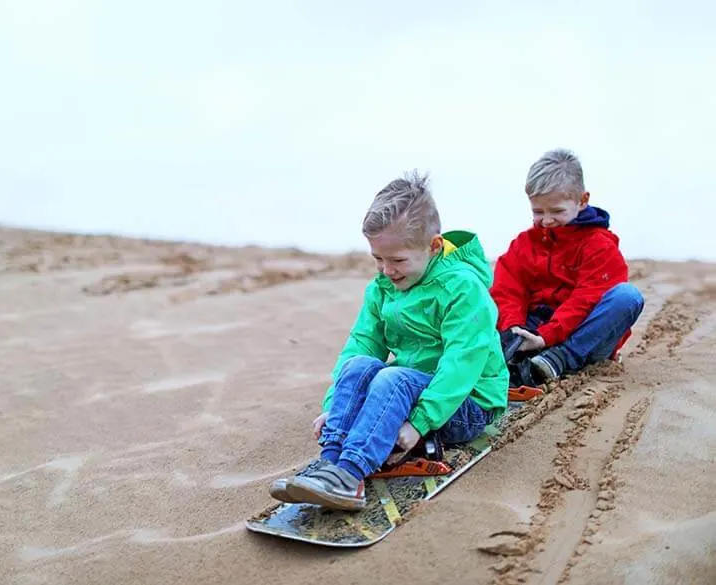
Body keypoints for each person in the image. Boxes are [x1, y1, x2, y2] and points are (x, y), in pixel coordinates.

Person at [268, 170, 509, 511]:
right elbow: (362, 344)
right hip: (408, 390)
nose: (386, 270)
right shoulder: (382, 288)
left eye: (397, 260)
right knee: (360, 365)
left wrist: (420, 423)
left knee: (391, 377)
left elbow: (462, 363)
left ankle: (350, 476)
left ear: (434, 246)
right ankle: (331, 462)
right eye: (378, 259)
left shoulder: (463, 289)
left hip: (466, 403)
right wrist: (335, 406)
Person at [490, 148, 645, 387]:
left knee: (627, 297)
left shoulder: (600, 246)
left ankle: (559, 359)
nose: (547, 220)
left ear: (582, 200)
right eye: (538, 212)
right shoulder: (524, 244)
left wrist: (546, 337)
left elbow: (586, 299)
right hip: (535, 332)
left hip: (583, 338)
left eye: (557, 211)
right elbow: (508, 289)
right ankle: (517, 365)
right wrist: (515, 330)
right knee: (484, 302)